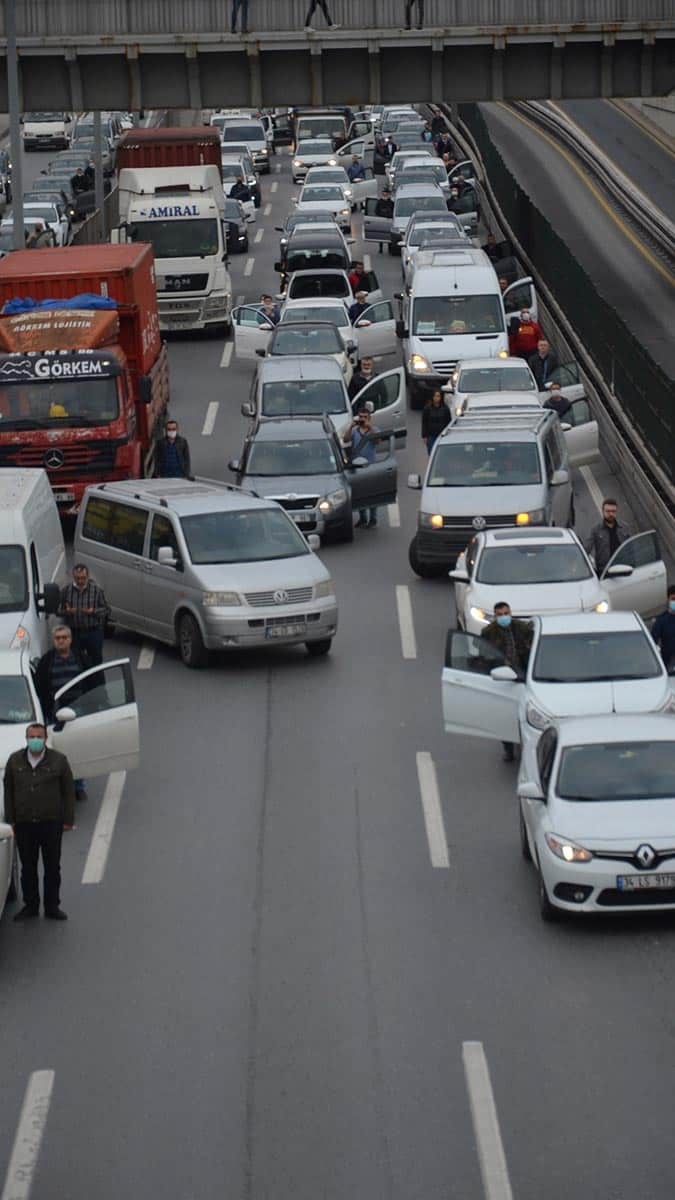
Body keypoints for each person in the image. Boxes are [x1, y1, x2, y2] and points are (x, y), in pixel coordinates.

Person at [4, 722, 75, 921]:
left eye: (39, 736)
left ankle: (52, 906)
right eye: (31, 736)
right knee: (28, 868)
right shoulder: (14, 761)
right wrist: (11, 821)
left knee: (52, 867)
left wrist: (68, 819)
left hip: (50, 823)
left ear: (45, 738)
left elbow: (68, 792)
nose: (35, 740)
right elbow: (8, 791)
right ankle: (31, 906)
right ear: (26, 738)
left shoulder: (59, 760)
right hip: (25, 824)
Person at [34, 626, 88, 800]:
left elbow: (93, 682)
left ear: (70, 640)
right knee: (57, 751)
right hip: (55, 714)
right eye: (58, 638)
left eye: (64, 637)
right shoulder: (46, 662)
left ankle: (78, 786)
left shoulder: (81, 658)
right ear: (54, 641)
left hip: (78, 712)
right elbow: (40, 689)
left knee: (77, 750)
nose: (61, 640)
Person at [482, 602, 533, 761]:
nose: (504, 617)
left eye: (506, 613)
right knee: (505, 715)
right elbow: (485, 655)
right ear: (495, 616)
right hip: (503, 677)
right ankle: (508, 748)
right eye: (500, 614)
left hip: (524, 675)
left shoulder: (521, 628)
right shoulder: (488, 633)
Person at [58, 563, 110, 667]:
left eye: (83, 578)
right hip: (75, 632)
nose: (80, 581)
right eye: (78, 578)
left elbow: (106, 610)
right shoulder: (66, 591)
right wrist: (67, 612)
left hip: (93, 631)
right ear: (73, 577)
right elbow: (59, 611)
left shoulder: (96, 591)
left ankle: (97, 682)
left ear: (87, 576)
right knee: (75, 662)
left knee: (96, 662)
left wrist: (93, 612)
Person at [344, 408, 380, 528]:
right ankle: (362, 518)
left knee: (371, 492)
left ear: (369, 418)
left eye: (365, 417)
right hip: (357, 466)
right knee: (359, 492)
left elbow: (377, 441)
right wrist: (350, 426)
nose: (362, 419)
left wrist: (370, 428)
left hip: (370, 466)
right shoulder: (354, 430)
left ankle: (373, 518)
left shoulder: (374, 430)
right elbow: (346, 439)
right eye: (360, 417)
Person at [584, 498, 631, 576]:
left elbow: (631, 547)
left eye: (613, 511)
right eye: (608, 511)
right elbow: (587, 548)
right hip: (605, 571)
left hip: (623, 568)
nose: (611, 514)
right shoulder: (596, 529)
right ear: (603, 511)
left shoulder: (624, 527)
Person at [651, 584, 675, 670]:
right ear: (668, 600)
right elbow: (653, 642)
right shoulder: (661, 621)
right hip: (667, 665)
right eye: (673, 599)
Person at [421, 389, 451, 453]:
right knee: (431, 452)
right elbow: (424, 422)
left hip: (441, 435)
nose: (436, 398)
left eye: (438, 396)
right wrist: (424, 436)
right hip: (431, 435)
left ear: (441, 397)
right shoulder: (427, 408)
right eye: (435, 396)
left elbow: (448, 422)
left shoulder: (445, 409)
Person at [375, 187, 394, 253]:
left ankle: (390, 248)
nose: (385, 194)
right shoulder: (379, 202)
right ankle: (380, 248)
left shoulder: (391, 203)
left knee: (390, 235)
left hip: (389, 220)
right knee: (381, 234)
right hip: (381, 220)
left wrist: (389, 215)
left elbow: (393, 211)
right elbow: (376, 211)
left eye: (386, 193)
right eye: (384, 192)